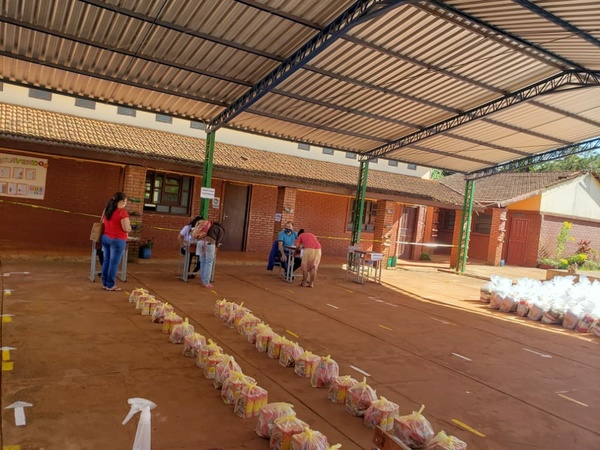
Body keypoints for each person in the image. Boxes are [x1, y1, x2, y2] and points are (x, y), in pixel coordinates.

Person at [101, 192, 132, 291]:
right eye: (125, 201)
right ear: (122, 201)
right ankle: (110, 285)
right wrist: (131, 228)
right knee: (113, 263)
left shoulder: (107, 210)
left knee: (106, 261)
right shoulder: (122, 212)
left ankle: (105, 283)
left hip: (105, 238)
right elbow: (126, 228)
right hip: (117, 240)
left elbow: (102, 221)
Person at [196, 221, 225, 288]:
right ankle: (206, 283)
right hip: (209, 243)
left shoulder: (207, 225)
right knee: (208, 263)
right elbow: (218, 242)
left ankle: (203, 281)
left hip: (200, 242)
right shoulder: (220, 229)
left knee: (202, 262)